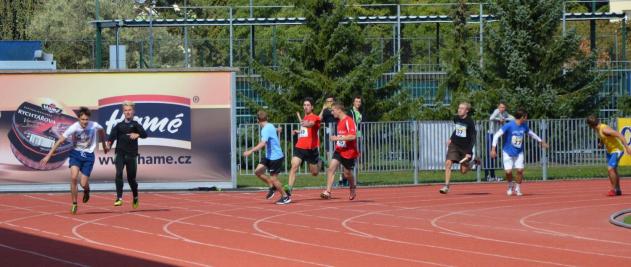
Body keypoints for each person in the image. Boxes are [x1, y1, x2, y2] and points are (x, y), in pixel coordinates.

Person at [41, 107, 109, 214]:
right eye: (82, 119)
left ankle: (87, 190)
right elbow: (59, 141)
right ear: (79, 119)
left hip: (88, 156)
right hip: (75, 154)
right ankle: (74, 204)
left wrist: (104, 145)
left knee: (83, 183)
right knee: (73, 178)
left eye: (86, 119)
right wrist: (48, 156)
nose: (85, 122)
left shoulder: (94, 125)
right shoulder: (74, 127)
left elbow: (101, 131)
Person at [491, 109, 548, 196]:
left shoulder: (524, 126)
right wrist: (493, 149)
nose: (526, 119)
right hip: (507, 152)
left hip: (519, 152)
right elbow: (496, 135)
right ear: (522, 117)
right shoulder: (509, 126)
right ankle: (510, 186)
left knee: (520, 170)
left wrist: (541, 141)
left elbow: (531, 134)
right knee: (508, 172)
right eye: (526, 117)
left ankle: (517, 188)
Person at [243, 110, 291, 204]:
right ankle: (272, 186)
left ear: (257, 120)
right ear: (267, 118)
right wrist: (278, 129)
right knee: (257, 171)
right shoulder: (270, 125)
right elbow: (273, 130)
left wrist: (250, 151)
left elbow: (262, 143)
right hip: (269, 156)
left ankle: (285, 197)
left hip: (276, 157)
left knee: (274, 178)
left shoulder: (265, 129)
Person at [107, 101, 147, 208]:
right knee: (119, 173)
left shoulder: (136, 125)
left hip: (132, 155)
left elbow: (145, 134)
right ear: (123, 112)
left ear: (133, 111)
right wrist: (108, 145)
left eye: (129, 110)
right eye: (125, 110)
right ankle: (119, 198)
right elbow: (111, 138)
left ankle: (135, 196)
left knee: (131, 179)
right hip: (120, 153)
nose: (128, 112)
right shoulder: (119, 126)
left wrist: (137, 134)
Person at [320, 102, 359, 200]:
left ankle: (352, 187)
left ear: (339, 110)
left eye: (333, 110)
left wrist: (337, 138)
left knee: (347, 173)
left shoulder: (349, 121)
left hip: (349, 152)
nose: (332, 113)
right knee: (331, 168)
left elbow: (353, 136)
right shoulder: (339, 122)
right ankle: (328, 191)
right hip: (339, 150)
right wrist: (338, 139)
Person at [285, 97, 322, 199]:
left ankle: (319, 162)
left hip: (311, 150)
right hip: (300, 147)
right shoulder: (304, 117)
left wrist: (306, 124)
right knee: (294, 166)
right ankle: (289, 189)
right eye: (304, 105)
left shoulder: (315, 117)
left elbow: (311, 124)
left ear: (312, 107)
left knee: (314, 173)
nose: (306, 107)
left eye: (308, 105)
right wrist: (298, 131)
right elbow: (305, 132)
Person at [586, 115, 631, 196]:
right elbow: (603, 137)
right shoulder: (598, 129)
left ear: (591, 125)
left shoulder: (604, 129)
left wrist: (627, 147)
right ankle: (618, 189)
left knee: (610, 169)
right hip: (610, 151)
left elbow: (619, 135)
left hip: (617, 150)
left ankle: (613, 190)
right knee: (614, 170)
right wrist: (601, 143)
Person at [440, 102, 477, 194]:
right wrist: (451, 138)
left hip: (465, 148)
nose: (459, 110)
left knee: (463, 171)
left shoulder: (470, 122)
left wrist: (469, 151)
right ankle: (446, 186)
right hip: (455, 145)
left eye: (462, 108)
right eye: (459, 108)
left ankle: (473, 162)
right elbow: (457, 129)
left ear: (467, 111)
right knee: (448, 163)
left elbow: (473, 137)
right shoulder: (456, 118)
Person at [485, 102, 514, 181]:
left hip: (496, 136)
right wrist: (499, 119)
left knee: (494, 155)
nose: (502, 109)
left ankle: (492, 176)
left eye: (504, 107)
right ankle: (488, 176)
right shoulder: (496, 111)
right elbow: (491, 118)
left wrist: (504, 119)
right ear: (498, 107)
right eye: (501, 107)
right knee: (490, 154)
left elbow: (513, 118)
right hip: (491, 134)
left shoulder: (505, 113)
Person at [340, 95, 363, 186]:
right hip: (351, 137)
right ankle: (343, 179)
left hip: (359, 136)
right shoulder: (350, 112)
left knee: (356, 158)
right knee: (345, 158)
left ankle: (355, 180)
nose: (358, 103)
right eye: (356, 101)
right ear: (353, 102)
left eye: (359, 102)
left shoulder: (361, 112)